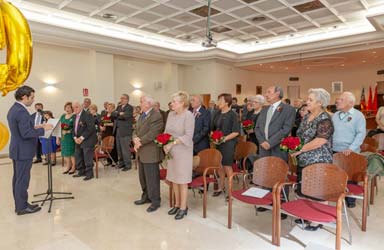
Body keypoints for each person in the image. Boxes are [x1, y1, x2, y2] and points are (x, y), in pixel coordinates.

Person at [291, 88, 334, 231]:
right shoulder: (306, 116)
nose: (306, 102)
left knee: (317, 191)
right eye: (307, 99)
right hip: (303, 159)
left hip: (318, 160)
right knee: (303, 188)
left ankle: (317, 219)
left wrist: (300, 149)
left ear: (320, 102)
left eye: (310, 100)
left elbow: (320, 140)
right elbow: (301, 136)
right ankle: (306, 215)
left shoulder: (325, 119)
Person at [7, 86, 53, 215]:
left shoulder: (14, 108)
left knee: (18, 178)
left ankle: (21, 203)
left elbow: (23, 128)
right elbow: (26, 133)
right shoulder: (21, 111)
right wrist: (44, 129)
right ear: (24, 97)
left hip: (17, 149)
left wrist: (36, 126)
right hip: (23, 150)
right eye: (31, 97)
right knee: (22, 180)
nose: (33, 100)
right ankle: (22, 207)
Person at [164, 91, 195, 220]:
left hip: (183, 151)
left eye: (174, 101)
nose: (172, 103)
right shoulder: (171, 114)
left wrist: (172, 143)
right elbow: (166, 132)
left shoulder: (188, 115)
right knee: (174, 178)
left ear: (182, 103)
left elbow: (188, 136)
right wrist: (164, 143)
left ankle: (183, 207)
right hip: (172, 151)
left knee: (182, 180)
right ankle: (177, 204)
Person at [332, 91, 366, 208]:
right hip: (334, 150)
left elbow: (360, 134)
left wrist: (351, 148)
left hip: (350, 151)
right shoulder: (335, 115)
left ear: (350, 103)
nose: (337, 101)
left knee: (350, 177)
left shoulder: (358, 116)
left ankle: (350, 198)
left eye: (341, 99)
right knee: (336, 175)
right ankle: (336, 195)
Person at [133, 96, 164, 213]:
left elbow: (153, 133)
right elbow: (135, 130)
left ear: (149, 103)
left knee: (152, 178)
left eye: (141, 102)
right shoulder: (142, 115)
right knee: (143, 177)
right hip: (141, 151)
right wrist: (135, 138)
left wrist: (139, 141)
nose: (140, 104)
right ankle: (145, 196)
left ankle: (155, 201)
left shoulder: (156, 115)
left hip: (150, 151)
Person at [255, 86, 295, 162]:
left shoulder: (288, 109)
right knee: (264, 172)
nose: (266, 95)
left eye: (269, 92)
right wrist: (262, 142)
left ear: (277, 94)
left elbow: (286, 129)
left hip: (278, 149)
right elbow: (257, 128)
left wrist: (270, 143)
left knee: (277, 172)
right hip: (263, 148)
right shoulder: (264, 110)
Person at [211, 93, 240, 197]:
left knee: (227, 166)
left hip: (228, 143)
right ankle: (221, 187)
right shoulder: (217, 113)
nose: (218, 102)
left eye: (220, 100)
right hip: (218, 143)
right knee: (219, 166)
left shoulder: (233, 115)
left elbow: (236, 132)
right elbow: (213, 128)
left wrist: (223, 139)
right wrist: (213, 136)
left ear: (227, 102)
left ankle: (230, 191)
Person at [72, 101, 97, 181]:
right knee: (78, 156)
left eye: (76, 107)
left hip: (88, 140)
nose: (74, 109)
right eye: (73, 107)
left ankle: (89, 174)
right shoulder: (74, 116)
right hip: (78, 140)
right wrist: (75, 138)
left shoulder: (87, 115)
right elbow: (73, 129)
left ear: (81, 107)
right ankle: (81, 171)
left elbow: (90, 128)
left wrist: (81, 138)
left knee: (87, 158)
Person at [113, 94, 134, 171]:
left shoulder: (129, 107)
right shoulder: (118, 107)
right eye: (121, 98)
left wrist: (118, 114)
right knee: (119, 149)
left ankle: (128, 165)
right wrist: (119, 113)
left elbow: (125, 116)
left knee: (125, 149)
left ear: (127, 100)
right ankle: (121, 163)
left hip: (125, 131)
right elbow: (113, 115)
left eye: (123, 98)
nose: (121, 99)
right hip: (117, 130)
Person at [57, 102, 76, 174]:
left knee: (71, 153)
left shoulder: (74, 116)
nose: (67, 109)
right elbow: (59, 127)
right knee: (65, 153)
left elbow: (76, 128)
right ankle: (68, 166)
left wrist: (68, 131)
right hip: (63, 138)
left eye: (69, 107)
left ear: (72, 108)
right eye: (66, 107)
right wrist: (58, 138)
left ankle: (73, 167)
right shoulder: (62, 116)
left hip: (70, 138)